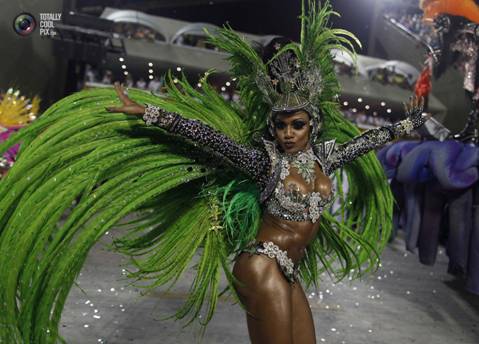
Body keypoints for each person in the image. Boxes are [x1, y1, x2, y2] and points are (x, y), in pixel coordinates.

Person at [0, 1, 428, 343]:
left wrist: (409, 124)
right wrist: (148, 111)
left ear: (312, 124)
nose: (287, 133)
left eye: (297, 124)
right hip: (262, 264)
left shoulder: (326, 157)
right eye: (280, 125)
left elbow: (367, 142)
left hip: (290, 268)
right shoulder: (266, 162)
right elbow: (209, 138)